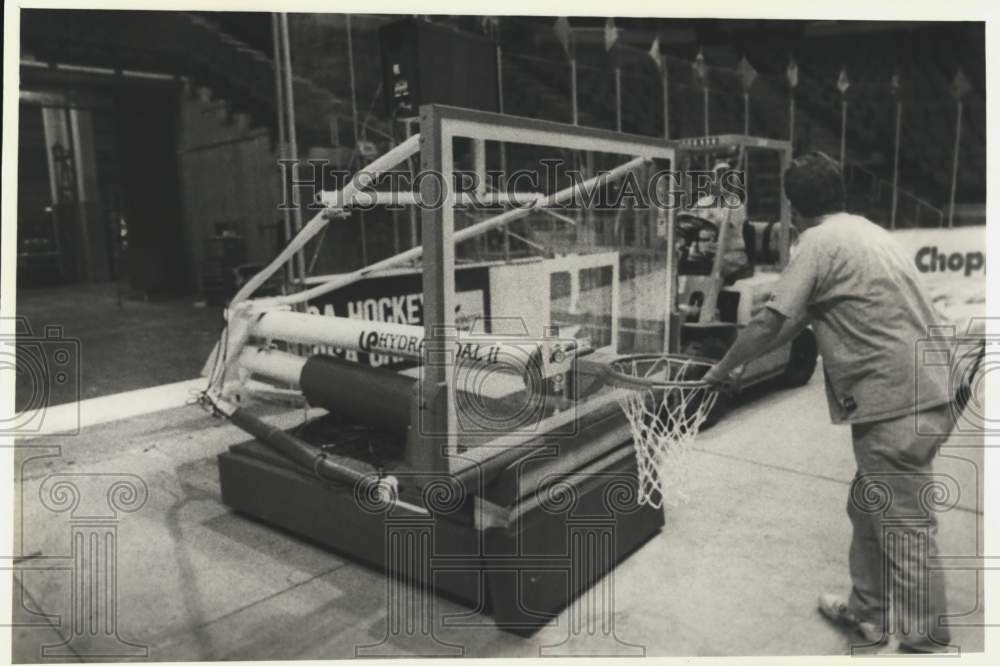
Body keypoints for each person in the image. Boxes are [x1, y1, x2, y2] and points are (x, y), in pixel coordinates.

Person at [703, 152, 956, 653]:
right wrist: (744, 357)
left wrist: (719, 370)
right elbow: (797, 319)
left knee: (904, 525)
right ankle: (867, 611)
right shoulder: (866, 231)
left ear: (793, 208)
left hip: (895, 403)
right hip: (929, 391)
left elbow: (771, 322)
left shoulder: (815, 243)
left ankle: (926, 639)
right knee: (867, 504)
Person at [684, 160, 751, 282]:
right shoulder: (702, 202)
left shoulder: (736, 205)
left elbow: (722, 225)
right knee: (682, 265)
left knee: (710, 270)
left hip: (730, 256)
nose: (723, 181)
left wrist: (708, 217)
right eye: (719, 176)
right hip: (705, 253)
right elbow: (690, 219)